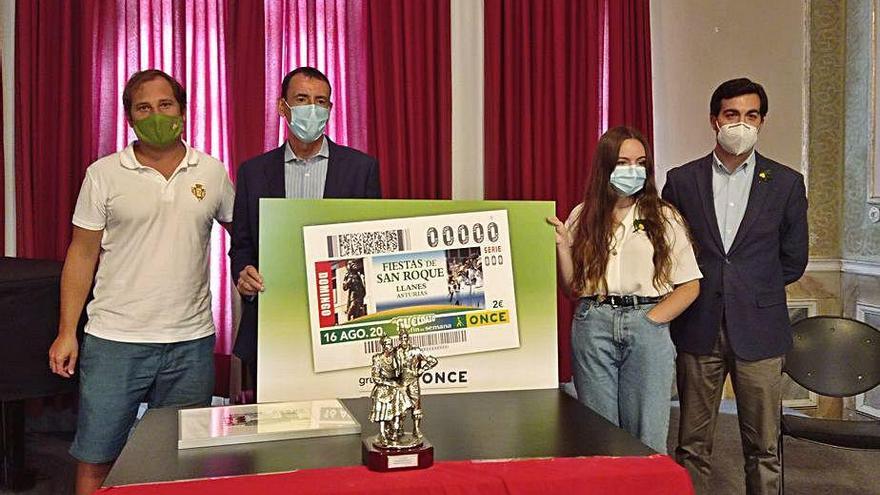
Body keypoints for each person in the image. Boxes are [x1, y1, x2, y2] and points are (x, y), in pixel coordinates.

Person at [47, 69, 235, 495]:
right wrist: (66, 332)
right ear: (129, 118)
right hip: (115, 340)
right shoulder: (104, 174)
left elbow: (244, 237)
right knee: (97, 456)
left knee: (180, 460)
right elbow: (81, 255)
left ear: (183, 111)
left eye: (165, 105)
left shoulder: (210, 170)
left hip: (190, 342)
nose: (156, 115)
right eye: (143, 108)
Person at [662, 78, 808, 495]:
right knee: (692, 445)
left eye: (751, 116)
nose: (740, 124)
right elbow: (670, 252)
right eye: (731, 115)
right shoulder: (682, 180)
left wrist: (748, 288)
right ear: (714, 120)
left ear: (761, 121)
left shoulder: (785, 182)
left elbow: (793, 259)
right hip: (698, 324)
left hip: (760, 330)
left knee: (763, 447)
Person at [548, 126, 702, 454]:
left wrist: (652, 320)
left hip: (646, 322)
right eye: (623, 162)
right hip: (594, 323)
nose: (633, 170)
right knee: (599, 434)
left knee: (647, 433)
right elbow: (573, 287)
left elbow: (689, 285)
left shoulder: (664, 216)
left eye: (640, 162)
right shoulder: (582, 216)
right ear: (605, 166)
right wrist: (563, 248)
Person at [230, 66, 381, 385]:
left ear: (330, 109)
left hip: (341, 327)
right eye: (302, 99)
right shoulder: (253, 172)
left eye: (320, 101)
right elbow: (242, 245)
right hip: (274, 324)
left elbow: (372, 243)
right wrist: (243, 275)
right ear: (282, 107)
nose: (312, 108)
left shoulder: (361, 169)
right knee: (276, 426)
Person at [369, 335, 412, 445]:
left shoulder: (395, 358)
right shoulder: (377, 358)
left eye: (390, 344)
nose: (389, 346)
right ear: (383, 346)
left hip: (394, 387)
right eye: (387, 344)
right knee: (382, 410)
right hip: (383, 387)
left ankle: (396, 430)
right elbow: (376, 377)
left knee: (400, 407)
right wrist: (388, 383)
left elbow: (399, 373)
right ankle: (383, 433)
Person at [394, 329, 438, 438]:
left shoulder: (416, 351)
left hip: (413, 381)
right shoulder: (395, 351)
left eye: (405, 338)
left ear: (408, 338)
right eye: (402, 338)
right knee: (401, 407)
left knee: (416, 406)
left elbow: (433, 360)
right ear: (399, 339)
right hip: (401, 382)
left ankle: (416, 429)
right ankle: (400, 428)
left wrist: (422, 369)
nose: (404, 340)